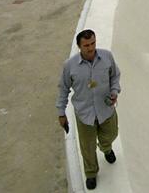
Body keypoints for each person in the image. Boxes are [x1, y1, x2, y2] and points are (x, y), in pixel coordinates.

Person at [57, 29, 122, 190]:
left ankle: (106, 148)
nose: (90, 48)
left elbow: (115, 76)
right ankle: (91, 173)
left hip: (106, 109)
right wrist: (61, 112)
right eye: (86, 45)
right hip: (85, 114)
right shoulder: (70, 66)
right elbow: (63, 89)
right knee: (87, 147)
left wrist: (114, 91)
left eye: (93, 43)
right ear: (79, 46)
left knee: (112, 133)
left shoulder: (107, 57)